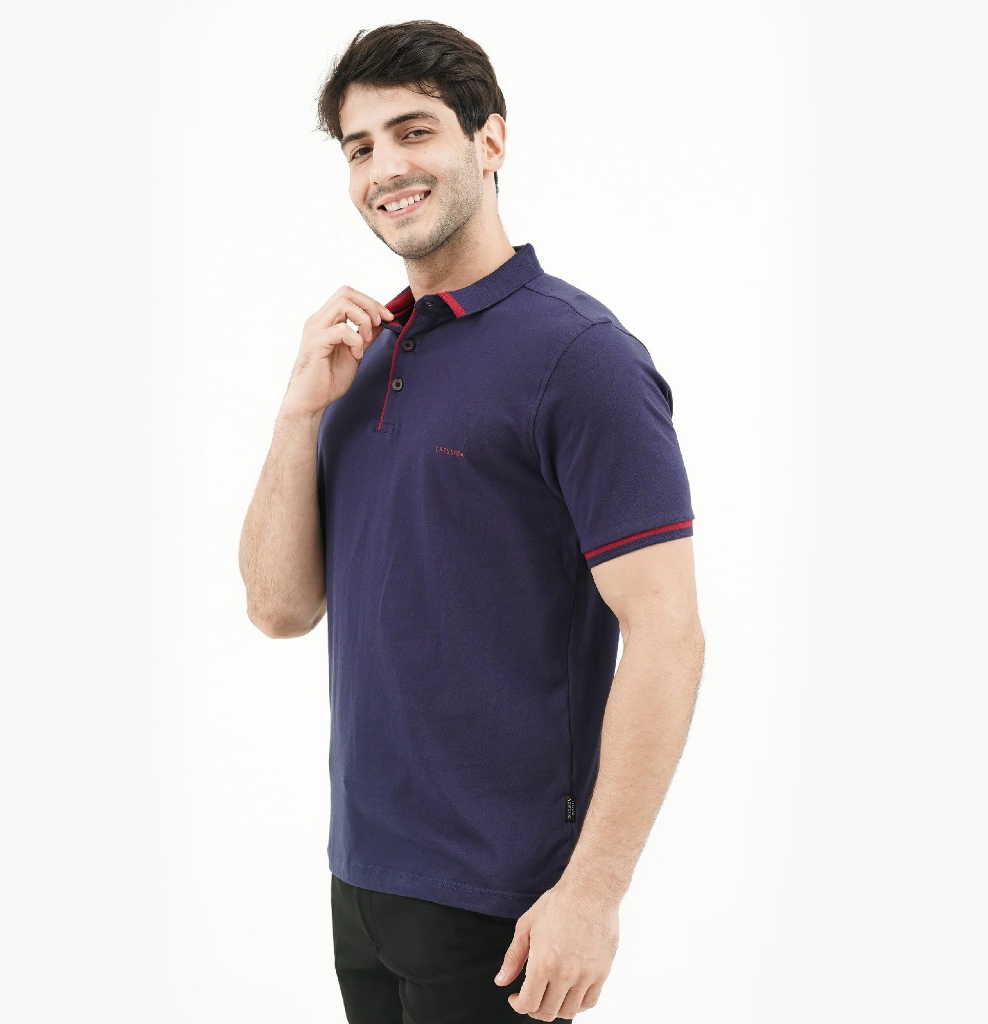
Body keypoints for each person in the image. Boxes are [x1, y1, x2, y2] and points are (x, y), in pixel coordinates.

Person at [238, 19, 706, 1023]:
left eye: (414, 132)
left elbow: (668, 633)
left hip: (506, 903)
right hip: (361, 880)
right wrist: (296, 413)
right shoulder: (361, 356)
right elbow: (277, 608)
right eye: (359, 148)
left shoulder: (580, 357)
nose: (384, 170)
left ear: (490, 140)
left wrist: (592, 894)